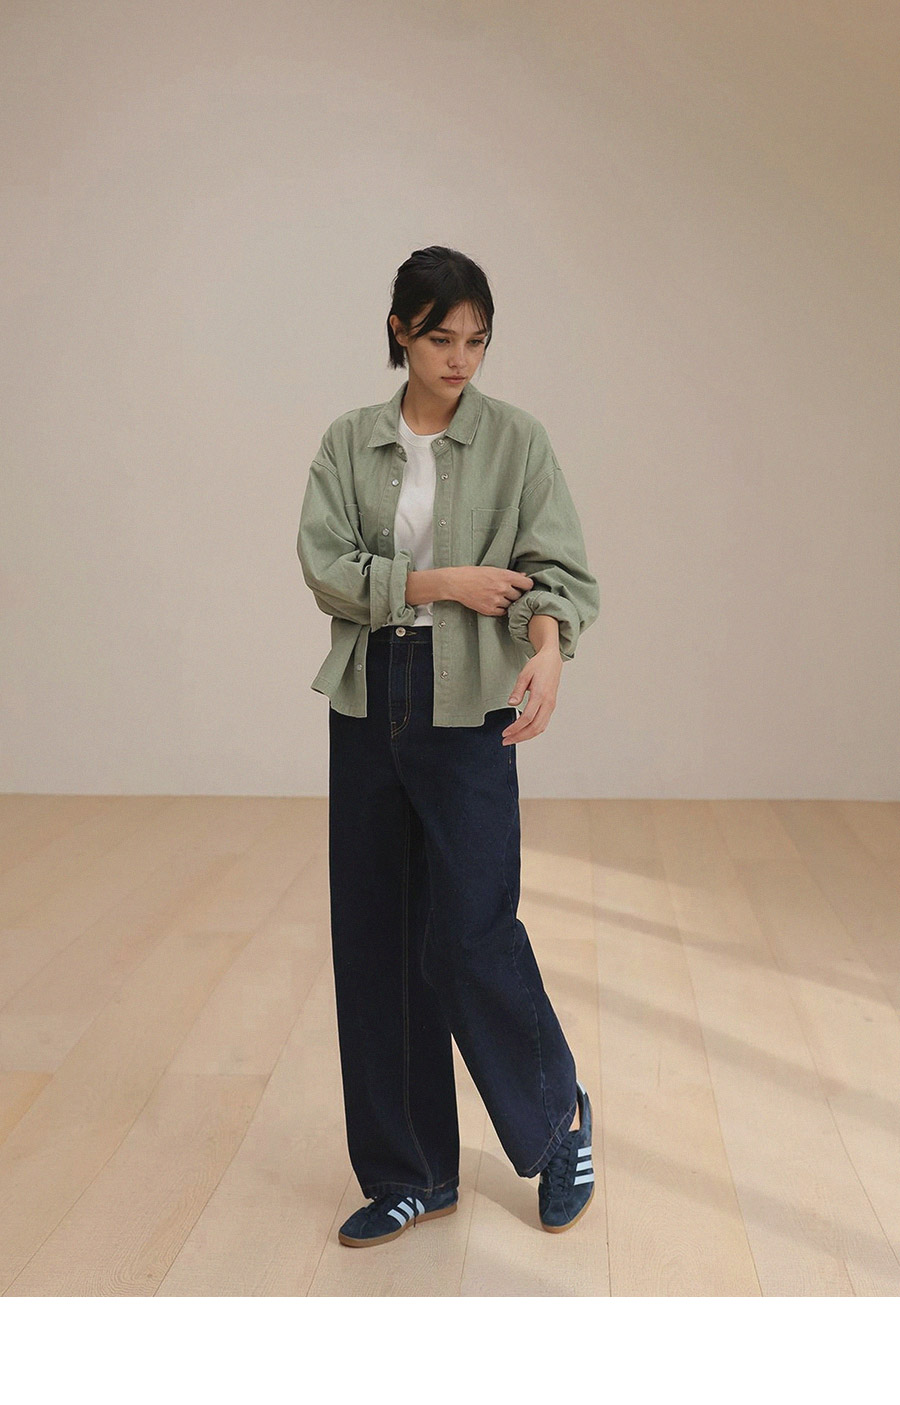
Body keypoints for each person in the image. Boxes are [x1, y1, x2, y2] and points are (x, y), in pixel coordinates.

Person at [297, 245, 600, 1248]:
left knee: (470, 930)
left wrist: (547, 648)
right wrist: (440, 583)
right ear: (401, 331)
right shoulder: (350, 441)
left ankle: (556, 1120)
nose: (460, 357)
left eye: (477, 339)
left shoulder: (517, 441)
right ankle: (411, 1171)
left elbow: (555, 572)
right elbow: (326, 564)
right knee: (376, 937)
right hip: (370, 693)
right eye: (440, 338)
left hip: (470, 698)